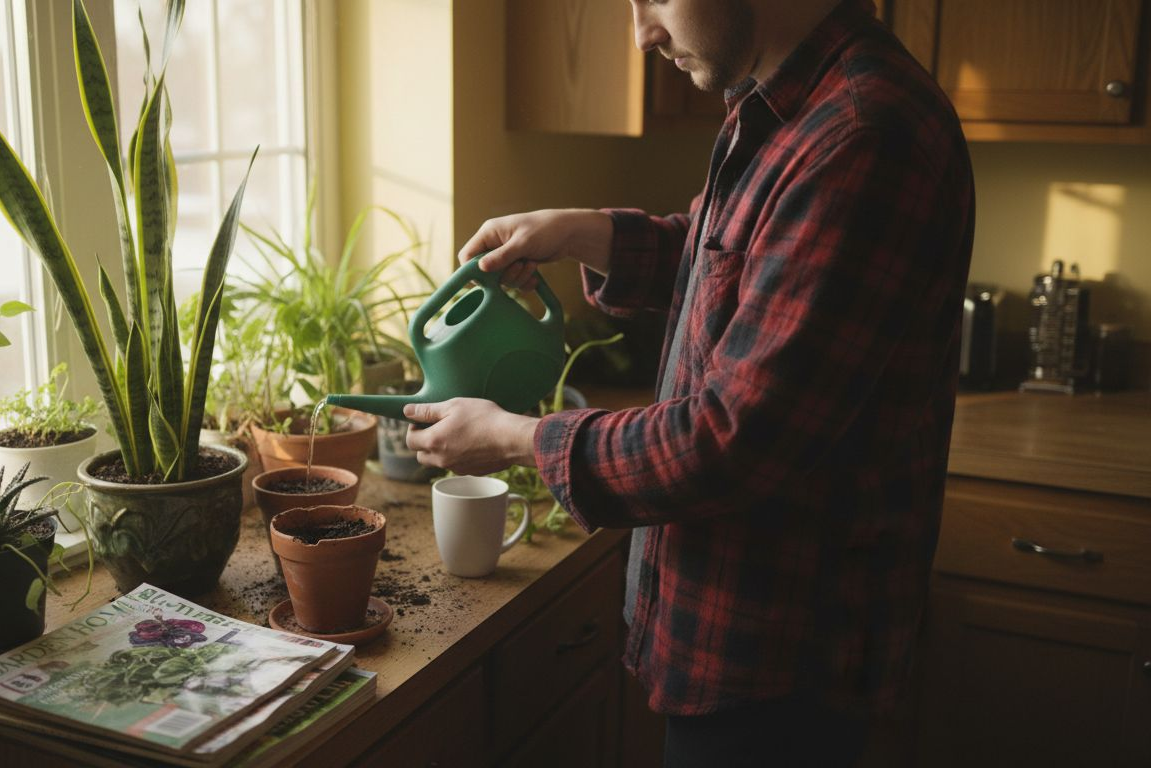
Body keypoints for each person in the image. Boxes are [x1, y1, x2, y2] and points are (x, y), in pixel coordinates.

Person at [404, 0, 974, 765]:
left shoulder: (864, 138)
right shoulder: (786, 100)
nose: (642, 33)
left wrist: (514, 438)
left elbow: (731, 438)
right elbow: (731, 263)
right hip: (737, 641)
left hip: (782, 664)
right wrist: (582, 230)